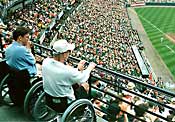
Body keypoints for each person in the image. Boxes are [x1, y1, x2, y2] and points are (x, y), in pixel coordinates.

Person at [42, 39, 96, 113]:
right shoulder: (68, 71)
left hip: (49, 99)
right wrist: (90, 68)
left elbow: (67, 73)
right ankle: (81, 111)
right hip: (64, 103)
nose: (69, 54)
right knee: (85, 85)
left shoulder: (46, 62)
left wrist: (78, 69)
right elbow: (83, 78)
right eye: (69, 52)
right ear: (64, 54)